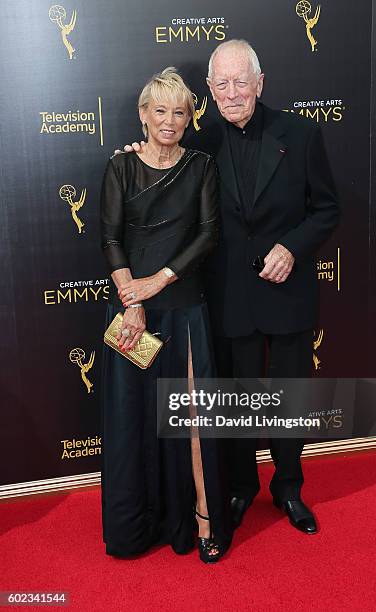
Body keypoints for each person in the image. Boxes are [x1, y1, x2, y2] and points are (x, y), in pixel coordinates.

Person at [121, 40, 340, 535]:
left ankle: (288, 488)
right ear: (210, 90)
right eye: (222, 83)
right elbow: (158, 174)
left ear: (260, 83)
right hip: (228, 299)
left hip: (287, 293)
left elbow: (327, 209)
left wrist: (293, 247)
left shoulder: (302, 134)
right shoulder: (198, 145)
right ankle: (241, 487)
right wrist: (136, 156)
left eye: (242, 81)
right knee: (236, 402)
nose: (232, 91)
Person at [100, 67, 232, 563]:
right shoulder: (120, 168)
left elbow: (207, 235)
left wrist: (158, 282)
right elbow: (110, 239)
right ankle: (136, 527)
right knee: (131, 418)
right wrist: (133, 301)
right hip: (129, 312)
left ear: (190, 117)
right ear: (143, 115)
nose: (170, 121)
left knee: (193, 419)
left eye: (180, 112)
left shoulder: (200, 165)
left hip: (183, 308)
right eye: (161, 111)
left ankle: (203, 517)